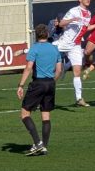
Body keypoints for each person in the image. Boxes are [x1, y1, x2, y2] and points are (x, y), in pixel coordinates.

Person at [16, 23, 62, 156]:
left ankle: (38, 143)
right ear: (47, 35)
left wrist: (21, 85)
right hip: (50, 83)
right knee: (46, 115)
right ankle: (44, 147)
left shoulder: (34, 49)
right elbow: (59, 69)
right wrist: (53, 81)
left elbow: (29, 67)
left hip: (38, 83)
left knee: (24, 114)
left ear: (36, 35)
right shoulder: (54, 49)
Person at [54, 0, 93, 107]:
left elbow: (87, 28)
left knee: (77, 72)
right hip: (65, 42)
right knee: (47, 52)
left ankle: (79, 99)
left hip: (75, 46)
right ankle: (25, 51)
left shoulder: (89, 13)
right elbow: (61, 24)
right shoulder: (73, 11)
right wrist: (72, 19)